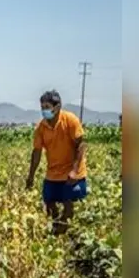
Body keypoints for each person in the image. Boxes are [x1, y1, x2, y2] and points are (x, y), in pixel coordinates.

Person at [25, 90, 87, 235]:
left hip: (72, 171)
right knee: (49, 202)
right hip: (53, 171)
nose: (44, 111)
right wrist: (31, 176)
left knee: (68, 203)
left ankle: (65, 232)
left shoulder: (70, 120)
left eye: (47, 107)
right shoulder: (41, 127)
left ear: (57, 107)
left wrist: (74, 171)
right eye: (42, 107)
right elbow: (37, 152)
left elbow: (81, 146)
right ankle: (56, 229)